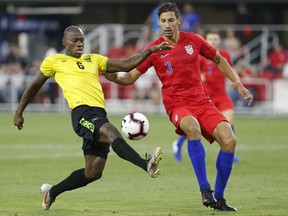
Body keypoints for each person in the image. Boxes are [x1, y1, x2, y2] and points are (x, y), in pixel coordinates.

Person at [104, 2, 253, 212]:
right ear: (158, 23)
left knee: (229, 140)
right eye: (163, 21)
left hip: (201, 100)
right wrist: (112, 77)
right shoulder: (153, 50)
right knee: (192, 128)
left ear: (179, 21)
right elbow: (130, 77)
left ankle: (219, 197)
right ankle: (205, 189)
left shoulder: (194, 40)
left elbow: (218, 60)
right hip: (176, 103)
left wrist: (237, 83)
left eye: (170, 20)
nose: (167, 25)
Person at [13, 25, 172, 211]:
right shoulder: (54, 61)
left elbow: (126, 64)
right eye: (75, 40)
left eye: (82, 40)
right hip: (81, 113)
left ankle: (52, 192)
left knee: (93, 173)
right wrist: (19, 111)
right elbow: (34, 86)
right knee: (111, 131)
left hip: (99, 113)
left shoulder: (93, 59)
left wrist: (149, 51)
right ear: (65, 42)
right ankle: (146, 165)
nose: (80, 43)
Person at [172, 32, 240, 163]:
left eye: (216, 39)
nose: (213, 41)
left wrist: (237, 80)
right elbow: (191, 72)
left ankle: (229, 152)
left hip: (222, 96)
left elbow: (230, 68)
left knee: (230, 122)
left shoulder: (224, 55)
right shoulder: (201, 57)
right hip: (205, 98)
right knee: (194, 126)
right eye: (211, 39)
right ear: (206, 40)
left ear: (220, 41)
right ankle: (179, 143)